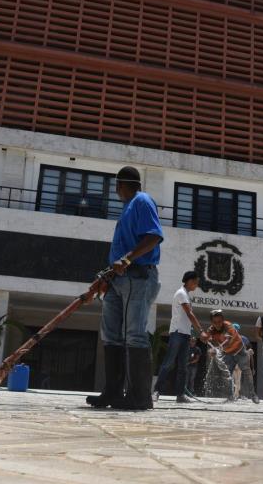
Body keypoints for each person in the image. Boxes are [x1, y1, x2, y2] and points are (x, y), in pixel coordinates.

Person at [86, 166, 163, 411]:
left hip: (137, 277)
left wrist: (127, 259)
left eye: (116, 186)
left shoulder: (142, 201)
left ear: (121, 184)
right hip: (117, 280)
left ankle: (139, 397)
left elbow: (153, 237)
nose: (116, 190)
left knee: (134, 334)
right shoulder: (127, 208)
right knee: (111, 335)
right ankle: (112, 392)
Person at [153, 271, 203, 403]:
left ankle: (180, 395)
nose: (196, 285)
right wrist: (201, 331)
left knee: (183, 366)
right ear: (189, 281)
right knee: (168, 363)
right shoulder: (181, 293)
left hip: (185, 334)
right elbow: (189, 314)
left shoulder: (186, 294)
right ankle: (156, 391)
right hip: (177, 333)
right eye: (196, 282)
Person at [202, 310, 258, 404]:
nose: (218, 325)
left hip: (240, 351)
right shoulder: (211, 330)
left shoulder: (228, 325)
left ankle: (253, 394)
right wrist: (209, 347)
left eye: (219, 322)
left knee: (247, 371)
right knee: (227, 374)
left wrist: (217, 348)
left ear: (223, 320)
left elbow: (228, 340)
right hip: (228, 353)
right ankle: (230, 396)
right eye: (215, 322)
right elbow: (207, 340)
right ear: (212, 322)